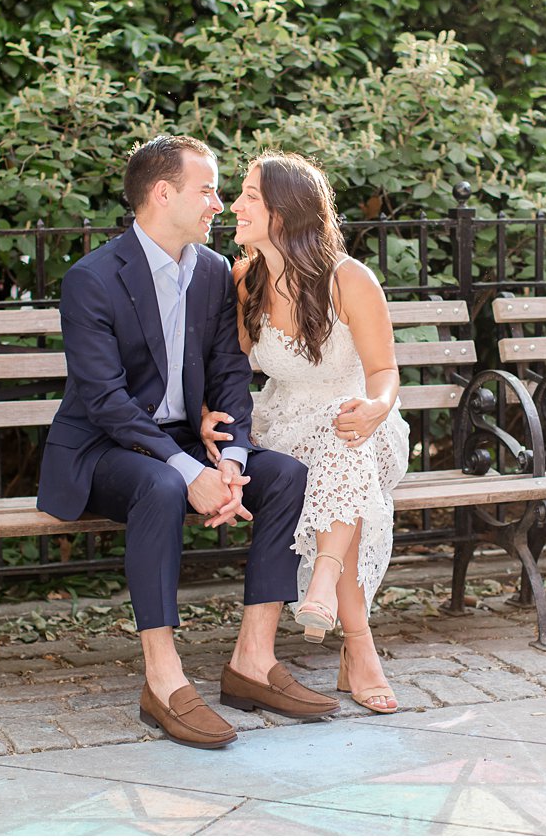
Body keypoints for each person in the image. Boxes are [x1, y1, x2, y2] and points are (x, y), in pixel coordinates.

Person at [36, 135, 338, 751]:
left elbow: (229, 373)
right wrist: (184, 465)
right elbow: (104, 400)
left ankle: (252, 661)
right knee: (161, 482)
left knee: (283, 476)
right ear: (162, 193)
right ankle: (162, 677)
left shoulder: (211, 273)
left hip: (184, 444)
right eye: (207, 190)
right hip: (102, 449)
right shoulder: (92, 278)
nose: (218, 204)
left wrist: (229, 458)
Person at [203, 152, 408, 714]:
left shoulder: (349, 279)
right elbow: (231, 368)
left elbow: (385, 373)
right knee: (323, 458)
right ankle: (356, 645)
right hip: (283, 418)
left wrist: (375, 408)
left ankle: (326, 586)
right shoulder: (246, 278)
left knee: (342, 437)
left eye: (249, 195)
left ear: (286, 211)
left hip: (362, 419)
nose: (235, 205)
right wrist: (205, 410)